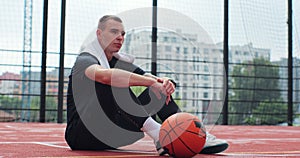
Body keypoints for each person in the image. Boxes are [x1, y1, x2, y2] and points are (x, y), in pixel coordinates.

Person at [65, 15, 228, 156]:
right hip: (82, 135)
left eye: (123, 34)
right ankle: (159, 134)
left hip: (112, 133)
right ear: (99, 34)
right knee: (115, 80)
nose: (120, 37)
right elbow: (104, 76)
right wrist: (151, 82)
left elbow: (146, 76)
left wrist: (163, 82)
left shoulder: (117, 61)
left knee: (159, 90)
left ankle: (192, 133)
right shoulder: (85, 59)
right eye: (114, 32)